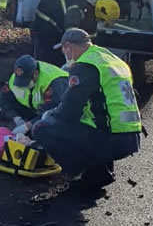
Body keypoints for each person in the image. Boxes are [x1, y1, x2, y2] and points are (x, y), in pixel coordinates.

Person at [32, 28, 141, 186]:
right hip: (131, 135)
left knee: (42, 127)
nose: (65, 55)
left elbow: (69, 111)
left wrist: (48, 115)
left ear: (69, 46)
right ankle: (101, 168)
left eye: (63, 50)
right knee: (94, 119)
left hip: (111, 138)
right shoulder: (111, 59)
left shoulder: (85, 65)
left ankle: (82, 173)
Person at [32, 0, 119, 67]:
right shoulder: (79, 8)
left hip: (57, 21)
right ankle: (41, 68)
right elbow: (71, 32)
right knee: (49, 51)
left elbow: (90, 40)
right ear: (102, 14)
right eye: (104, 21)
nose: (103, 23)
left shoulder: (92, 14)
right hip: (46, 17)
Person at [0, 54, 68, 136]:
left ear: (36, 73)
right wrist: (15, 117)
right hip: (33, 110)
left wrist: (27, 126)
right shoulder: (15, 78)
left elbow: (52, 112)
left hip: (59, 118)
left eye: (26, 81)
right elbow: (4, 99)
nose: (24, 85)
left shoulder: (53, 82)